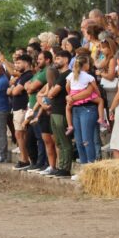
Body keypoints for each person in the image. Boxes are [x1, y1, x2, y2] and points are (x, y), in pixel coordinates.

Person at [65, 55, 103, 164]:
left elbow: (68, 87)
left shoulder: (80, 75)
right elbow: (95, 90)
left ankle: (90, 165)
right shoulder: (86, 76)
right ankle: (84, 166)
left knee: (86, 140)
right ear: (85, 65)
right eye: (88, 63)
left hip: (86, 108)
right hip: (77, 109)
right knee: (80, 141)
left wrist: (70, 96)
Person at [46, 50, 73, 178]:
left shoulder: (67, 75)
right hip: (55, 111)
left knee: (64, 141)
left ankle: (65, 168)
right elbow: (49, 92)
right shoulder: (60, 76)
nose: (55, 61)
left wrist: (50, 91)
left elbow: (51, 93)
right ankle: (61, 166)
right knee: (58, 142)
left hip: (61, 112)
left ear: (66, 60)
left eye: (58, 58)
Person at [8, 54, 34, 169]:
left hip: (22, 108)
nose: (16, 65)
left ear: (27, 63)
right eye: (16, 63)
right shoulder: (21, 77)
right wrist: (13, 88)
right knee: (19, 134)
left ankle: (25, 159)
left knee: (20, 134)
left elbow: (14, 91)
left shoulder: (27, 76)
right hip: (17, 108)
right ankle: (24, 158)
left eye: (19, 63)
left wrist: (13, 88)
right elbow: (9, 90)